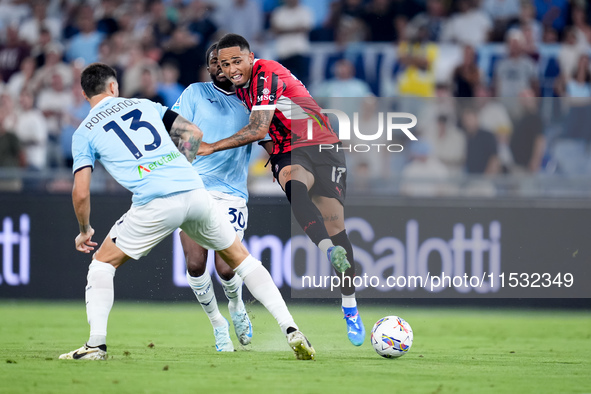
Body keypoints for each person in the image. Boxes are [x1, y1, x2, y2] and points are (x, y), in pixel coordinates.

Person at [59, 63, 315, 361]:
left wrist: (84, 229)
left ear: (83, 94)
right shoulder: (144, 105)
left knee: (102, 264)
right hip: (194, 190)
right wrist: (174, 165)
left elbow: (80, 191)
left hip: (154, 201)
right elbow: (192, 133)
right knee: (242, 260)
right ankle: (291, 329)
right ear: (114, 87)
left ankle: (96, 345)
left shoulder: (84, 132)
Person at [197, 33, 365, 346]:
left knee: (335, 223)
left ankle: (349, 305)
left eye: (236, 62)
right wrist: (274, 158)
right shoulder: (241, 90)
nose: (230, 69)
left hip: (323, 144)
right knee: (295, 187)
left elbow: (259, 127)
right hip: (290, 149)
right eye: (223, 64)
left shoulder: (267, 72)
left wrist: (212, 147)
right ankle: (328, 250)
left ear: (250, 57)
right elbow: (266, 134)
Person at [171, 43, 253, 352]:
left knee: (227, 268)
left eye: (227, 62)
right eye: (215, 62)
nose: (221, 67)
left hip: (231, 194)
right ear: (209, 67)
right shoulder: (194, 92)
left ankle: (236, 305)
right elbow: (176, 132)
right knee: (195, 264)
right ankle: (219, 325)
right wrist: (191, 157)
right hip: (192, 188)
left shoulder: (251, 99)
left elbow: (267, 139)